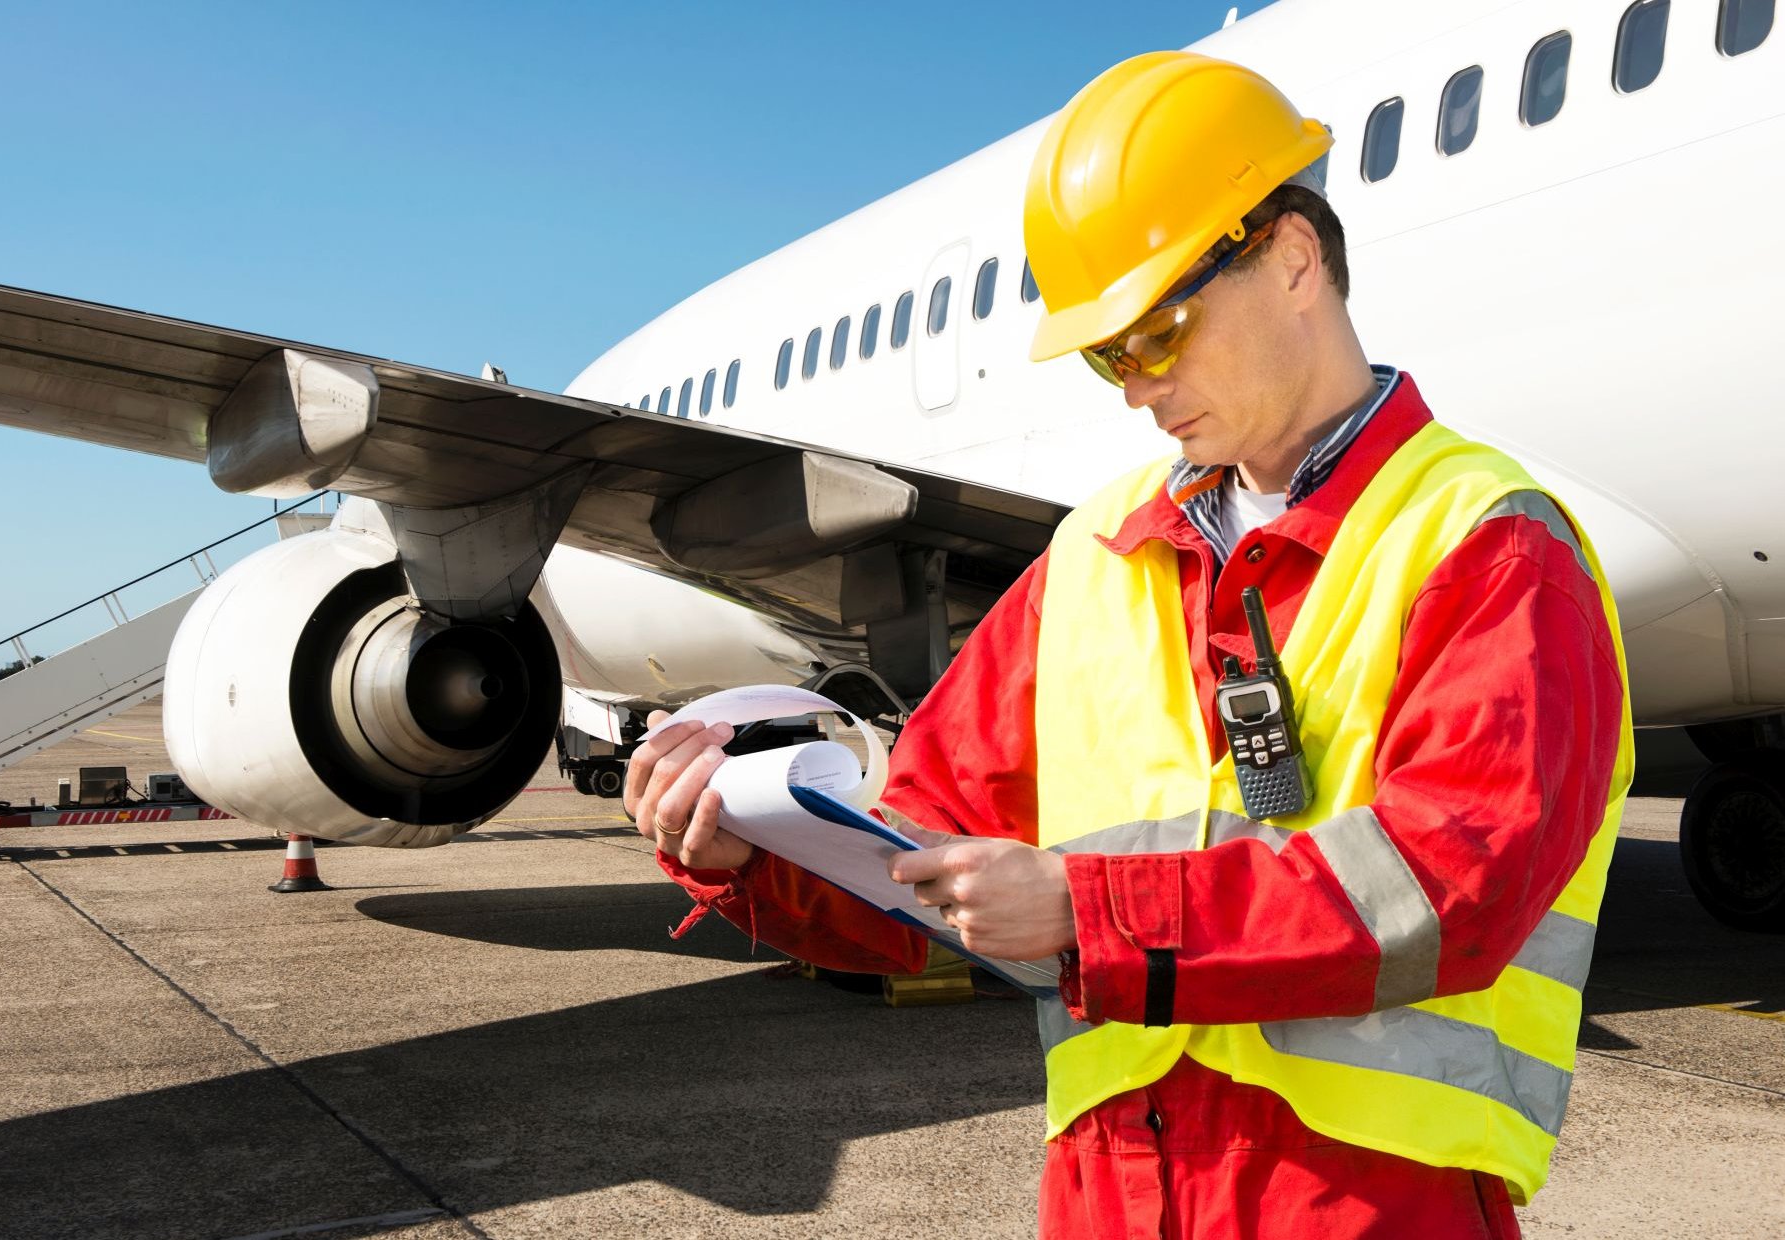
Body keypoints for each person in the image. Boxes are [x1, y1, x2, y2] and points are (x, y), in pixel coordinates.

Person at [627, 51, 1628, 1240]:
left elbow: (1454, 885)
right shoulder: (1094, 553)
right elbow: (914, 855)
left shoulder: (1485, 540)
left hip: (1363, 1202)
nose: (1134, 388)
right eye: (1107, 354)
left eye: (1156, 332)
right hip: (1113, 1191)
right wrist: (746, 849)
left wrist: (1086, 912)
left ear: (1292, 258)